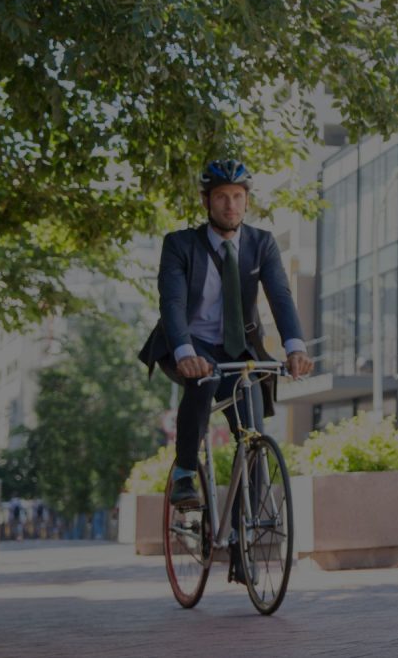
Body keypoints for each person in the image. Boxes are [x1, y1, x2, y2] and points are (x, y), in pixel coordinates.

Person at [138, 159, 313, 578]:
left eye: (238, 197)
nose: (231, 205)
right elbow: (173, 303)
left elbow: (280, 297)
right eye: (222, 197)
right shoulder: (180, 244)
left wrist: (295, 347)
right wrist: (182, 350)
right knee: (201, 378)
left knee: (252, 435)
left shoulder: (262, 243)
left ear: (247, 200)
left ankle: (240, 537)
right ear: (206, 201)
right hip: (191, 342)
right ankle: (184, 471)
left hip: (240, 346)